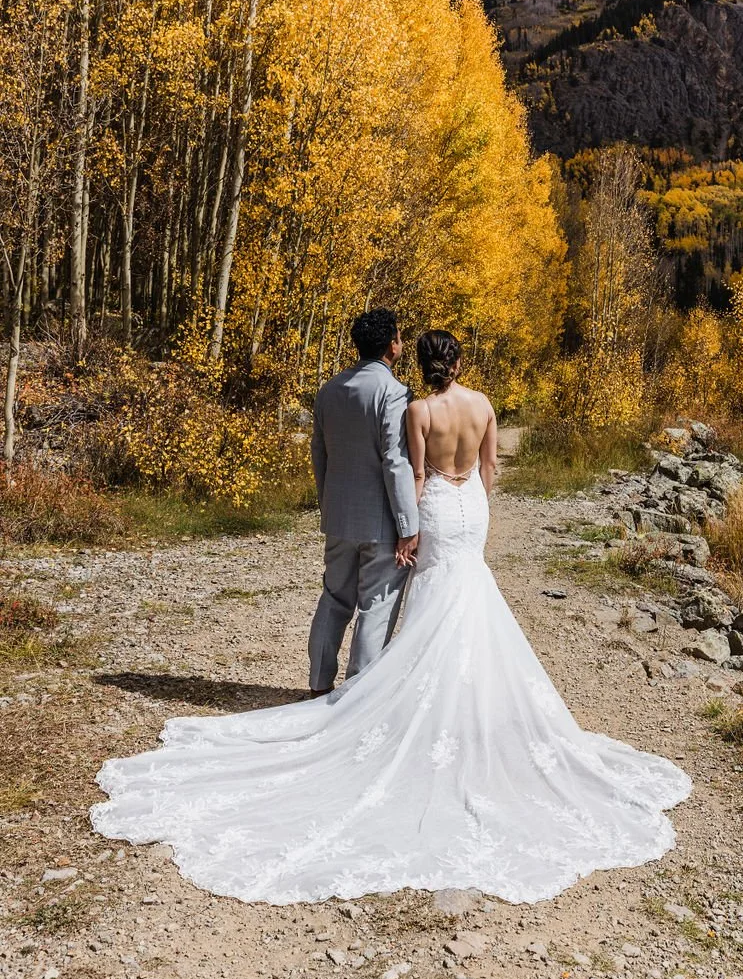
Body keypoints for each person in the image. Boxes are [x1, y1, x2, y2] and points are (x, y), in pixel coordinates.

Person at [89, 328, 691, 905]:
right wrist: (474, 502)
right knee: (472, 596)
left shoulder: (417, 411)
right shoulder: (484, 406)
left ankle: (364, 694)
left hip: (434, 507)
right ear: (457, 362)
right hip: (472, 510)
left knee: (423, 602)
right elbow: (488, 470)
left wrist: (416, 523)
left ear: (423, 363)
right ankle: (472, 707)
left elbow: (418, 472)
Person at [307, 308, 418, 695]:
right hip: (381, 519)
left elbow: (318, 452)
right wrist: (409, 526)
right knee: (376, 604)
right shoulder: (394, 393)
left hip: (338, 514)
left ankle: (319, 683)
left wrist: (327, 501)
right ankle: (357, 691)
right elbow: (396, 460)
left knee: (334, 596)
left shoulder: (330, 389)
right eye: (400, 337)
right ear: (392, 346)